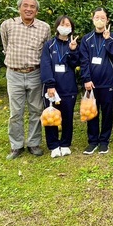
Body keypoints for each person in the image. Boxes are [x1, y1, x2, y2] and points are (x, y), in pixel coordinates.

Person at [0, 0, 51, 160]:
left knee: (36, 110)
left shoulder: (44, 28)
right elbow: (5, 45)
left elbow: (46, 51)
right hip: (14, 73)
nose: (29, 9)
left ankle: (34, 143)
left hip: (35, 73)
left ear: (37, 10)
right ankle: (16, 145)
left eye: (33, 7)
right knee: (16, 112)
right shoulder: (7, 25)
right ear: (19, 8)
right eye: (25, 6)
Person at [80, 8, 113, 155]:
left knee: (107, 112)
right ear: (92, 19)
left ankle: (104, 141)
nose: (100, 20)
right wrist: (86, 79)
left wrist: (107, 40)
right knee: (91, 112)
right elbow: (83, 61)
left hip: (108, 82)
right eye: (97, 17)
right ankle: (92, 142)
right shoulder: (86, 39)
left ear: (107, 20)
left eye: (103, 18)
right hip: (92, 83)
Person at [40, 16, 79, 158]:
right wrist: (50, 84)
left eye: (68, 24)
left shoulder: (73, 44)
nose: (65, 26)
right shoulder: (49, 45)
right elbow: (45, 65)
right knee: (51, 116)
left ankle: (65, 144)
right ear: (57, 26)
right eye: (62, 24)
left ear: (71, 29)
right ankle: (54, 145)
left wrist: (73, 51)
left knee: (68, 117)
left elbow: (76, 64)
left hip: (69, 87)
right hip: (52, 88)